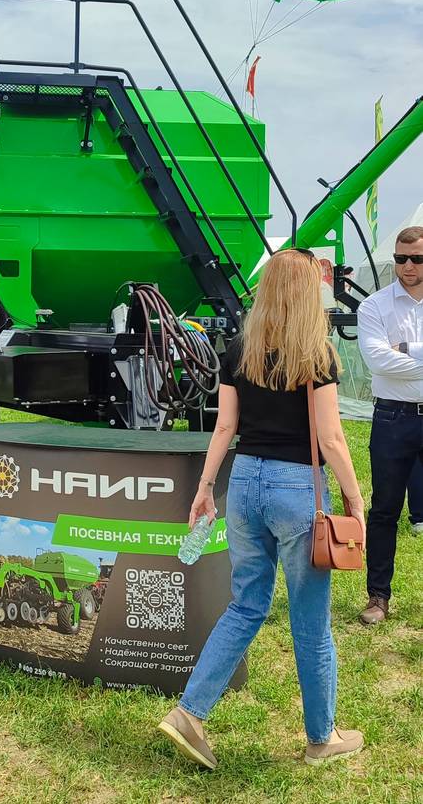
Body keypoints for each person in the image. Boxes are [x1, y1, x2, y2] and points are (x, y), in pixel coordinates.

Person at [158, 249, 366, 769]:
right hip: (297, 489)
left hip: (244, 482)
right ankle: (321, 737)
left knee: (247, 605)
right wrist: (355, 497)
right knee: (311, 620)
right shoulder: (317, 353)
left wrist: (205, 487)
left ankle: (189, 712)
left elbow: (224, 427)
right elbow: (331, 438)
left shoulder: (240, 348)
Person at [357, 225, 423, 623]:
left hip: (399, 411)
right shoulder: (374, 306)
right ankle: (378, 597)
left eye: (417, 258)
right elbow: (377, 361)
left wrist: (409, 350)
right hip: (393, 416)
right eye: (401, 258)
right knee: (384, 509)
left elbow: (391, 359)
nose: (408, 266)